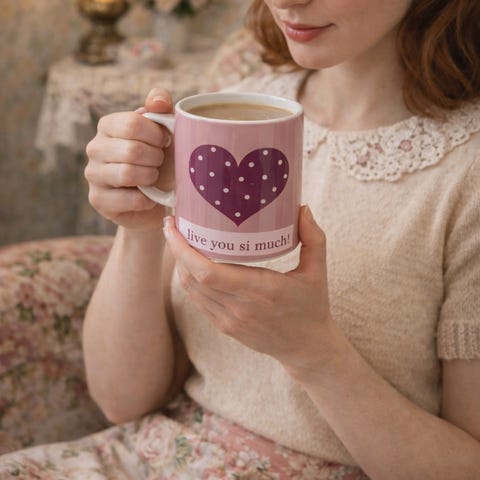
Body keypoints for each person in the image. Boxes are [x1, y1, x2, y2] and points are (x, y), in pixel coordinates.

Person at [1, 0, 480, 478]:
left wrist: (313, 352)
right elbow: (122, 400)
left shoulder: (466, 173)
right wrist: (140, 228)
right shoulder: (230, 112)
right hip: (153, 458)